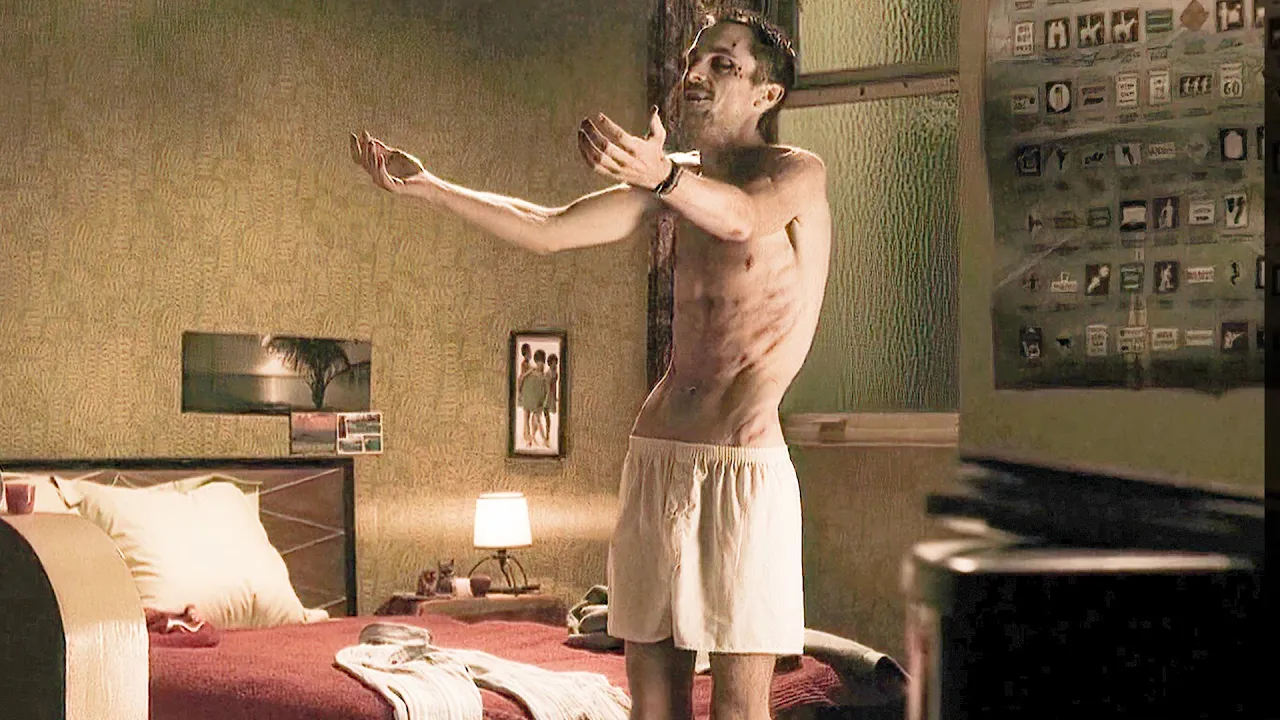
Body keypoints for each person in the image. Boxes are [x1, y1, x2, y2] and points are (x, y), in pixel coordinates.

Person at [352, 9, 830, 720]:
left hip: (743, 464)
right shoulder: (676, 182)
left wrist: (661, 174)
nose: (695, 74)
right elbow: (549, 229)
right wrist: (432, 188)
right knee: (652, 707)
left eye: (722, 64)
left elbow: (740, 218)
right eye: (693, 60)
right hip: (656, 456)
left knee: (738, 711)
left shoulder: (795, 174)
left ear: (767, 94)